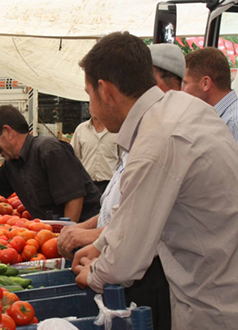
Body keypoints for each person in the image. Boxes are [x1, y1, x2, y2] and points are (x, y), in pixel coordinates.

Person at [73, 31, 238, 329]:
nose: (92, 108)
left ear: (105, 90)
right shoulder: (182, 109)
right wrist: (102, 243)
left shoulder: (157, 142)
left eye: (89, 95)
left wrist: (94, 273)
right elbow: (137, 211)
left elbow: (123, 266)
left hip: (212, 306)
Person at [0, 105, 101, 223]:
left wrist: (64, 235)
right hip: (56, 235)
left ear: (8, 132)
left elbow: (74, 197)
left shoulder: (49, 151)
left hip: (88, 232)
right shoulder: (12, 164)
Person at [183, 47, 238, 141]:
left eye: (185, 83)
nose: (182, 90)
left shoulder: (233, 122)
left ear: (205, 83)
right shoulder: (221, 116)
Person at [70, 110, 119, 194]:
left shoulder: (116, 129)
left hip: (110, 184)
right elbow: (73, 156)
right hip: (87, 183)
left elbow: (124, 159)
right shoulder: (81, 129)